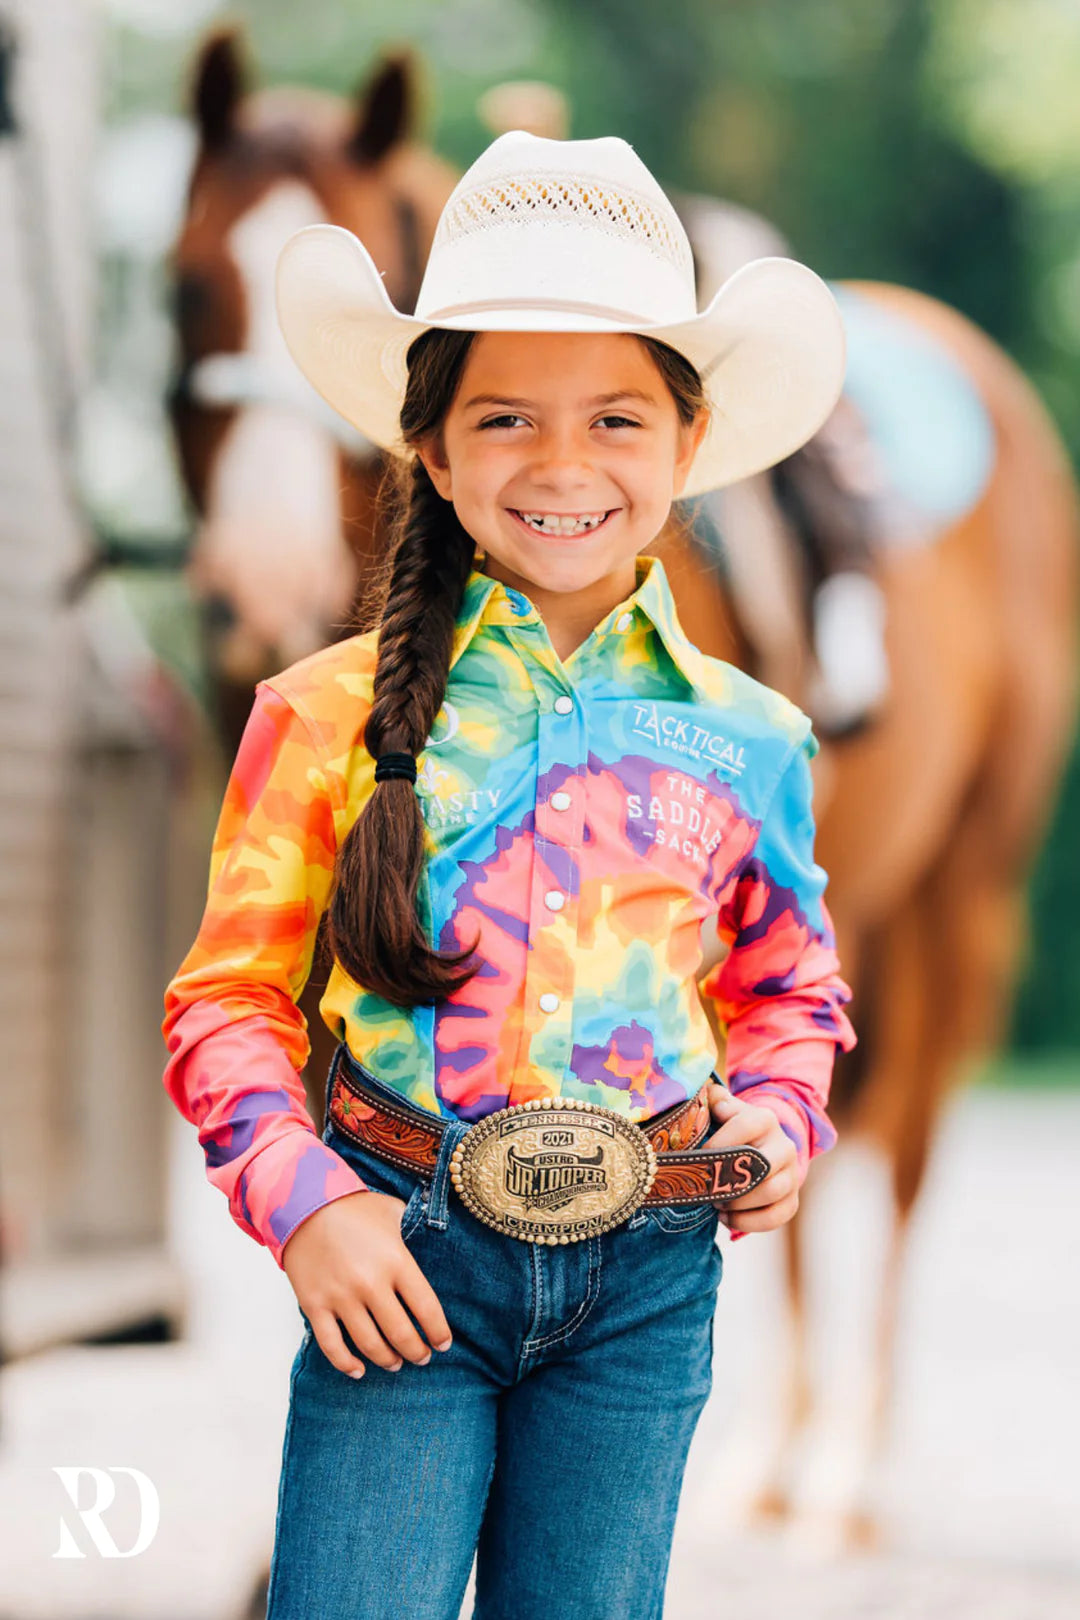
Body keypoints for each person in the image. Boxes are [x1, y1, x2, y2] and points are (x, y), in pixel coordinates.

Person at [161, 130, 857, 1620]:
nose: (561, 465)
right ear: (431, 449)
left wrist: (786, 1110)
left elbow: (793, 985)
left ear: (686, 442)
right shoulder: (322, 716)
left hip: (648, 1289)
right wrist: (306, 1203)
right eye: (503, 419)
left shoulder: (752, 738)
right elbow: (226, 1002)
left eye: (616, 419)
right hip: (398, 1264)